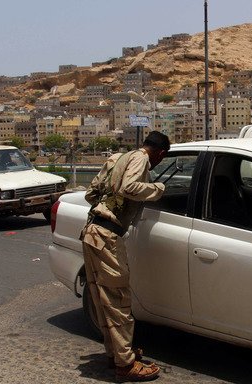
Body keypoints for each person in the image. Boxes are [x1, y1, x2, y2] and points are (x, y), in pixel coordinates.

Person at [80, 131, 170, 382]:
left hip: (92, 231)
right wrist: (158, 189)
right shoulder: (141, 160)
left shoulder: (118, 158)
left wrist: (108, 203)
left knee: (104, 300)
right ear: (160, 154)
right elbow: (128, 187)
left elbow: (90, 194)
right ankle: (126, 364)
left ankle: (116, 355)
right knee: (118, 301)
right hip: (107, 235)